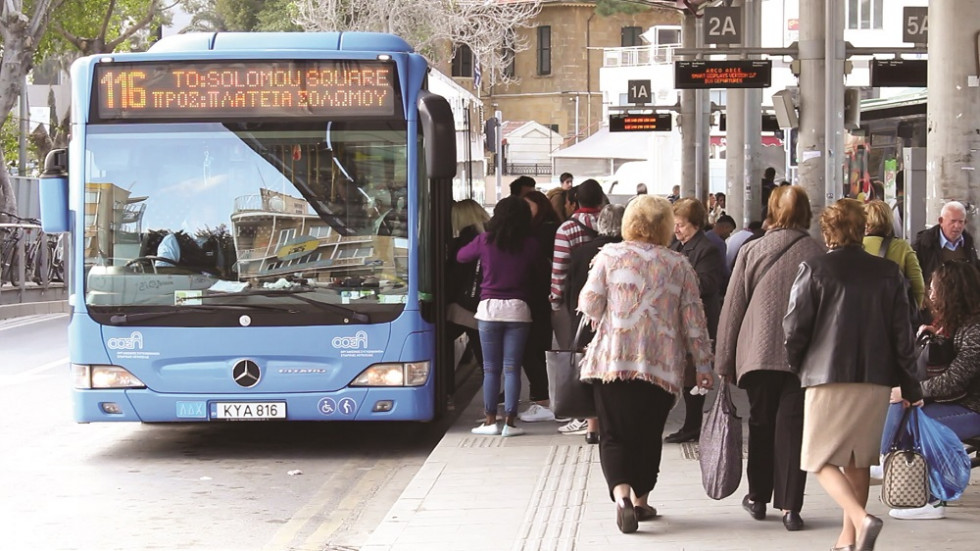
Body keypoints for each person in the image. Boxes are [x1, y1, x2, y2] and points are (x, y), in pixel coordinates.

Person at [783, 198, 923, 551]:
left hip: (827, 376)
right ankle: (849, 540)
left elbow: (794, 329)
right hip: (875, 380)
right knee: (857, 460)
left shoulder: (814, 269)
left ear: (827, 231)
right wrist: (910, 384)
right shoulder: (889, 273)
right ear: (862, 229)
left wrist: (797, 365)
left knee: (817, 458)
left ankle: (862, 520)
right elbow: (902, 336)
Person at [577, 194, 714, 534]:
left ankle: (621, 497)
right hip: (661, 367)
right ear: (667, 225)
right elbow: (695, 321)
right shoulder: (679, 265)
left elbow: (589, 304)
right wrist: (703, 366)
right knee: (648, 435)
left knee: (613, 434)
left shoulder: (609, 256)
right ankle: (641, 501)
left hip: (613, 364)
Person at [715, 186, 824, 532]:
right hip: (803, 357)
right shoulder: (817, 252)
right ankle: (792, 508)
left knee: (761, 422)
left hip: (758, 355)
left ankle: (758, 497)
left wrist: (724, 362)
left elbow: (733, 308)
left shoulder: (753, 249)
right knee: (794, 429)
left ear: (773, 211)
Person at [878, 261, 980, 521]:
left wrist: (913, 392)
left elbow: (955, 379)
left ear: (950, 291)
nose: (930, 293)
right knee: (903, 404)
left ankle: (933, 499)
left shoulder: (974, 330)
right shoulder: (959, 322)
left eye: (934, 287)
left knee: (916, 420)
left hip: (973, 409)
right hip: (961, 403)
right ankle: (888, 458)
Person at [457, 196, 544, 437]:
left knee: (491, 369)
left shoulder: (485, 240)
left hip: (489, 310)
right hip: (519, 309)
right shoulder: (531, 244)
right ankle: (510, 424)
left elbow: (461, 256)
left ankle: (489, 422)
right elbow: (541, 272)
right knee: (512, 368)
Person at [562, 203, 626, 443]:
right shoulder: (628, 252)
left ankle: (591, 428)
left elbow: (570, 292)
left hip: (585, 322)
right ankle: (614, 425)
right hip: (618, 324)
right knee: (616, 375)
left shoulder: (580, 252)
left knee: (589, 375)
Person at [666, 198, 725, 444]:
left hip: (698, 319)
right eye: (674, 225)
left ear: (695, 224)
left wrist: (676, 283)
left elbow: (709, 283)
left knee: (693, 375)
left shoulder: (706, 248)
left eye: (680, 225)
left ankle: (692, 426)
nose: (676, 230)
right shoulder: (677, 245)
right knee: (686, 373)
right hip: (679, 318)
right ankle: (690, 426)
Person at [549, 179, 604, 440]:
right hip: (611, 302)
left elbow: (559, 270)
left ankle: (583, 414)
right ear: (601, 199)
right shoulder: (611, 224)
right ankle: (602, 413)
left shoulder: (567, 229)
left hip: (579, 304)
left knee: (579, 358)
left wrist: (555, 300)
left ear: (576, 202)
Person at [517, 191, 563, 423]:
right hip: (541, 298)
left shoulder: (543, 231)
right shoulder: (550, 227)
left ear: (540, 206)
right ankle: (543, 398)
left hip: (539, 297)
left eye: (528, 206)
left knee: (531, 349)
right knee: (537, 348)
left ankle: (541, 399)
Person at [447, 199, 490, 369]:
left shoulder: (466, 239)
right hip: (486, 303)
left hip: (467, 305)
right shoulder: (491, 234)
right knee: (485, 354)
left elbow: (456, 273)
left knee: (438, 339)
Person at [863, 200, 925, 310]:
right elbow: (918, 286)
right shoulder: (902, 247)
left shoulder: (857, 246)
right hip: (895, 313)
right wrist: (912, 312)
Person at [913, 200, 979, 289]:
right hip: (934, 298)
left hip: (964, 298)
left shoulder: (968, 243)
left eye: (961, 222)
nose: (957, 226)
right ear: (941, 221)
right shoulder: (924, 244)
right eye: (953, 221)